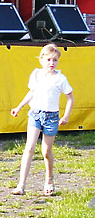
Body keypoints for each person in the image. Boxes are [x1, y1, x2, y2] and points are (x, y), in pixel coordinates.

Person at [10, 43, 74, 196]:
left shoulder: (60, 78)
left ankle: (49, 180)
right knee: (29, 148)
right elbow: (31, 92)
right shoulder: (36, 74)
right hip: (35, 113)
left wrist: (66, 116)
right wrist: (19, 107)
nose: (52, 63)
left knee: (46, 151)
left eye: (55, 60)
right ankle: (21, 184)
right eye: (49, 60)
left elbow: (70, 97)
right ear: (42, 60)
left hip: (51, 116)